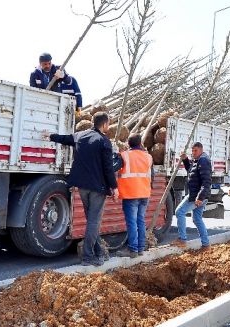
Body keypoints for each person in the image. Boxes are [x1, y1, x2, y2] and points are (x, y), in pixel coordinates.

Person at [44, 111, 117, 266]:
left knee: (91, 221)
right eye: (108, 123)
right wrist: (114, 187)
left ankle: (98, 252)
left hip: (82, 186)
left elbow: (64, 139)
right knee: (93, 222)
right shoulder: (104, 141)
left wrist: (50, 136)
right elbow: (108, 168)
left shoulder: (80, 136)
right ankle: (87, 257)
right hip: (98, 187)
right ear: (104, 124)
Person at [114, 133, 154, 258]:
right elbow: (152, 176)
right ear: (140, 143)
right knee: (140, 221)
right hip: (144, 194)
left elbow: (113, 167)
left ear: (128, 144)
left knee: (132, 222)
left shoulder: (125, 155)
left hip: (131, 194)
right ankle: (140, 248)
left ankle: (132, 249)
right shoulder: (148, 157)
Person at [174, 142, 211, 248]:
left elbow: (206, 182)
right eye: (192, 151)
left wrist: (200, 197)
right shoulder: (198, 160)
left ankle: (182, 239)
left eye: (195, 151)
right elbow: (191, 171)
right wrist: (185, 159)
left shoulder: (203, 160)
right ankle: (206, 244)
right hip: (198, 195)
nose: (193, 153)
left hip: (197, 196)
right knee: (197, 219)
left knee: (179, 212)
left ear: (201, 150)